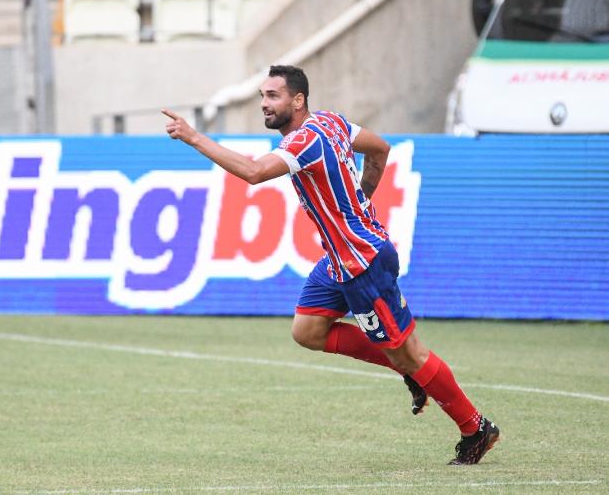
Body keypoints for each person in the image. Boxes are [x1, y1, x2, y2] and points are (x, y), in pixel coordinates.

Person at [162, 64, 500, 465]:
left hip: (363, 265)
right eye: (263, 97)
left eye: (273, 96)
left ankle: (475, 427)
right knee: (307, 329)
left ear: (298, 100)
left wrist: (195, 137)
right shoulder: (332, 122)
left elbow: (254, 173)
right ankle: (404, 368)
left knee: (410, 352)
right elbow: (380, 149)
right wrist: (361, 201)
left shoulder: (304, 140)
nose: (265, 105)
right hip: (341, 259)